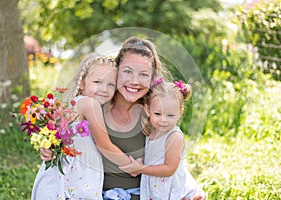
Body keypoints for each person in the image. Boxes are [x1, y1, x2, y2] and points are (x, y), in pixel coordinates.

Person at [41, 37, 206, 200]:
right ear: (116, 71)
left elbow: (169, 156)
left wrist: (189, 190)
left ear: (152, 78)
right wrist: (50, 149)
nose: (134, 81)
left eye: (143, 74)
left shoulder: (153, 112)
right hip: (92, 193)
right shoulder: (96, 105)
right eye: (127, 71)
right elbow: (67, 138)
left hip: (141, 195)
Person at [32, 53, 134, 200]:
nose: (104, 89)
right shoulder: (89, 104)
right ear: (81, 83)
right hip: (74, 182)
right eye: (98, 82)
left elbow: (54, 138)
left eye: (111, 84)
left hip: (56, 182)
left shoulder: (74, 104)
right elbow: (104, 146)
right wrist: (133, 166)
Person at [119, 79, 203, 200]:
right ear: (148, 110)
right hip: (155, 185)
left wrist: (140, 168)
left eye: (170, 115)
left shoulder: (174, 137)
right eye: (158, 114)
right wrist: (140, 161)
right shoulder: (151, 130)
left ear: (179, 113)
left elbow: (169, 169)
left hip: (170, 188)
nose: (163, 120)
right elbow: (153, 155)